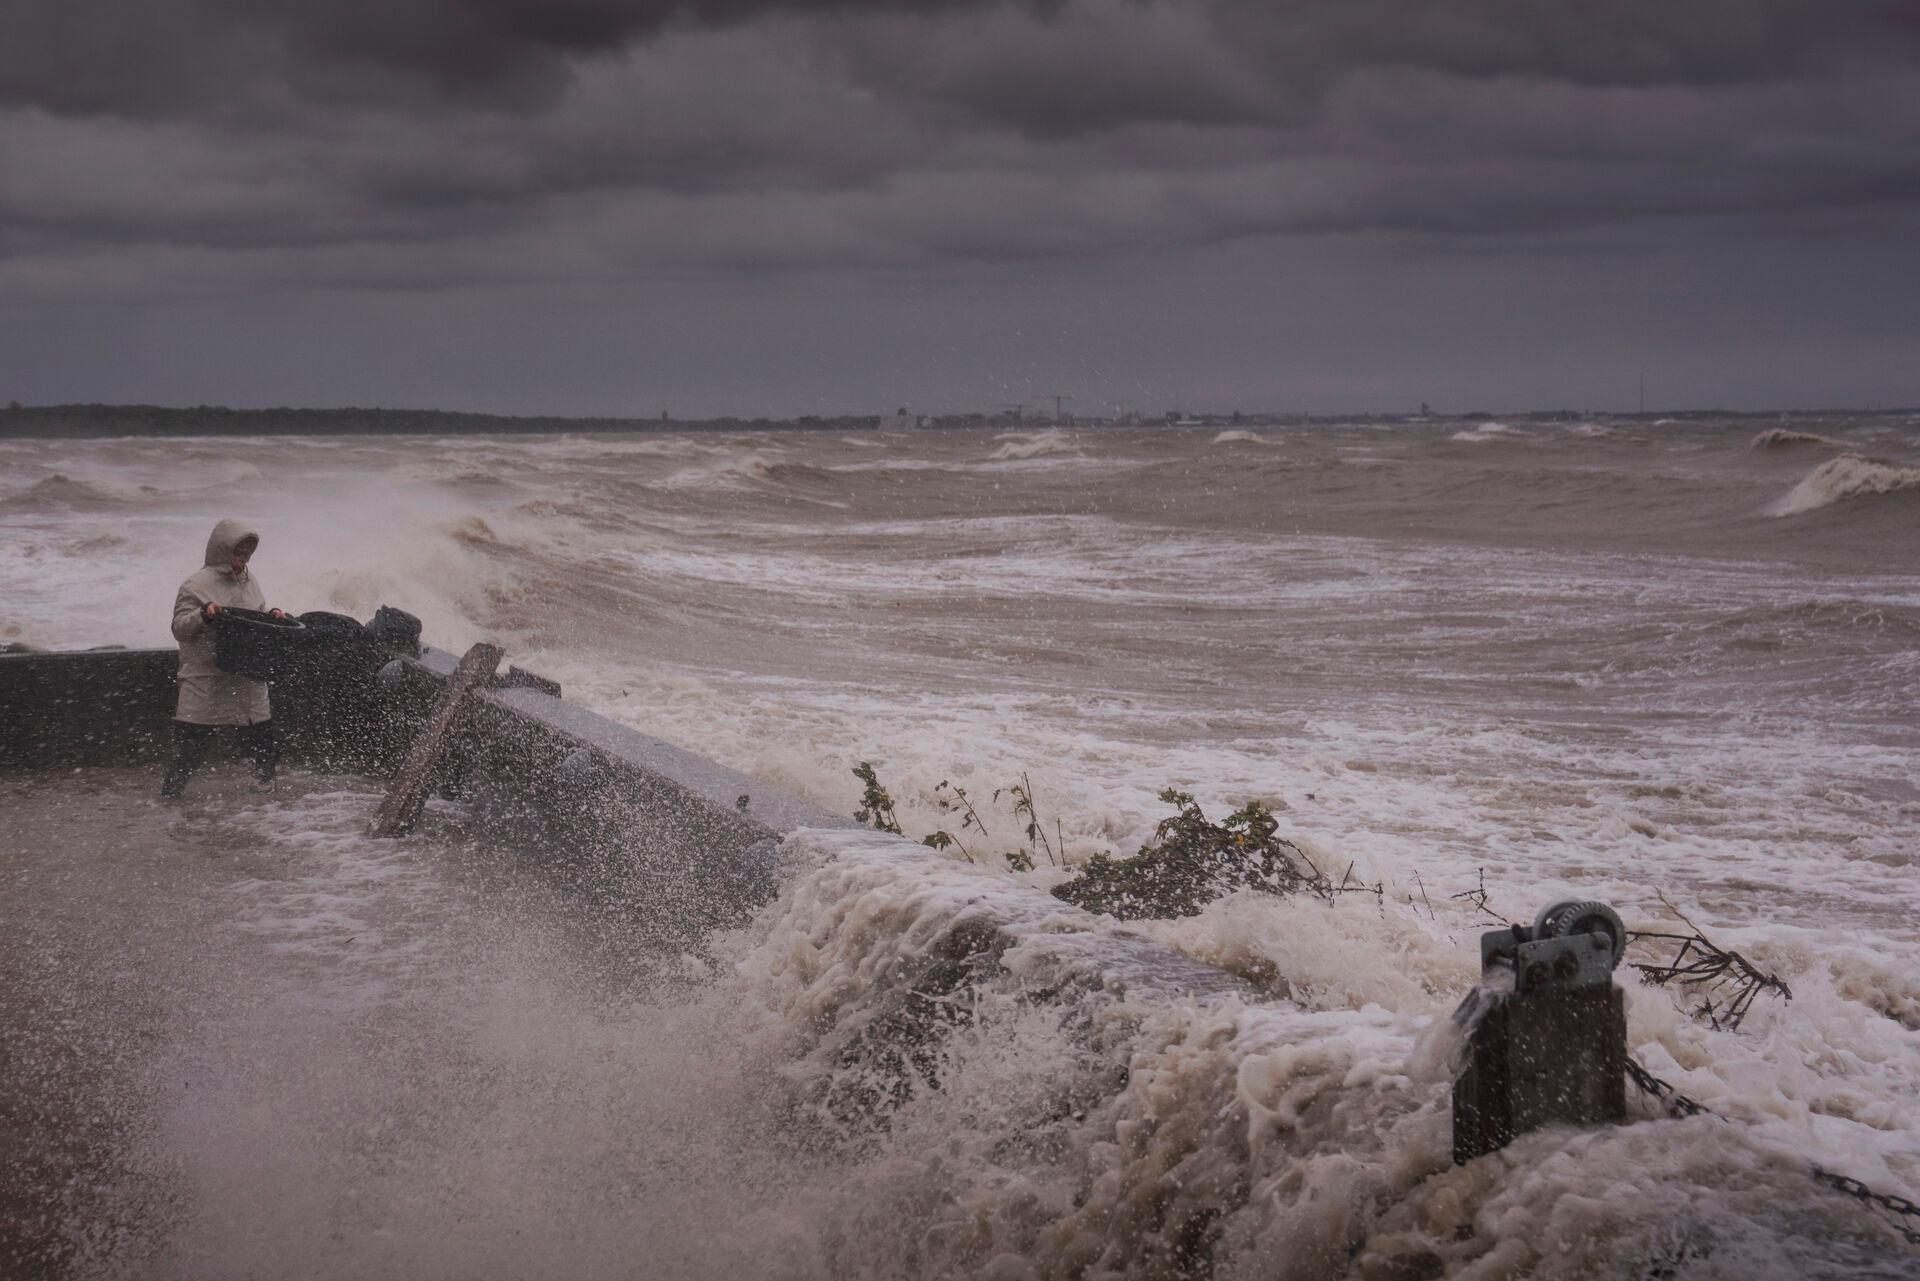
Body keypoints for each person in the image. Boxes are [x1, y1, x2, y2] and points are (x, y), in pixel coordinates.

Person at [161, 518, 287, 799]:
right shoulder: (195, 585)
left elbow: (257, 613)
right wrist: (203, 615)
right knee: (191, 746)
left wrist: (273, 615)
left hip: (246, 672)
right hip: (205, 675)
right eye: (236, 553)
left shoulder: (250, 580)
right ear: (221, 550)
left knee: (261, 741)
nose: (242, 561)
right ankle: (170, 796)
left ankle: (265, 795)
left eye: (246, 555)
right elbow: (179, 628)